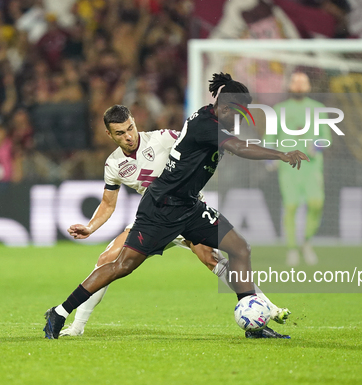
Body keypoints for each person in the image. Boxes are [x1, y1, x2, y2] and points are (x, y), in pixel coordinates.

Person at [44, 73, 309, 339]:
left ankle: (257, 322)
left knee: (238, 249)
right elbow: (239, 148)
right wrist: (281, 155)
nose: (241, 118)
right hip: (160, 210)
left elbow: (196, 143)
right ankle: (60, 313)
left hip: (189, 207)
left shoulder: (173, 132)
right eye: (239, 113)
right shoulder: (204, 126)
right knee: (119, 265)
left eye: (130, 128)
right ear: (225, 107)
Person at [264, 72, 331, 266]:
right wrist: (269, 157)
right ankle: (292, 249)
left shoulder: (318, 109)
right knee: (291, 206)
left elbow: (327, 136)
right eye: (295, 82)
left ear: (309, 86)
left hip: (312, 167)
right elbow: (270, 136)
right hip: (289, 167)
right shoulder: (279, 110)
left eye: (303, 82)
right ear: (289, 86)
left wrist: (318, 145)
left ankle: (306, 242)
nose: (299, 86)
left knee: (316, 203)